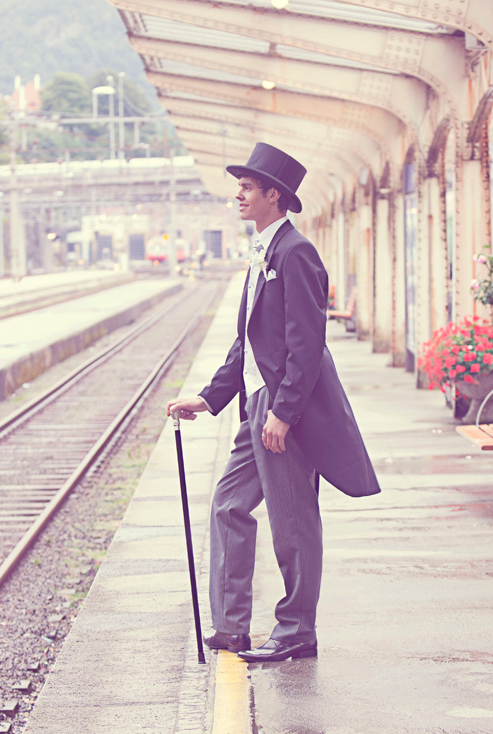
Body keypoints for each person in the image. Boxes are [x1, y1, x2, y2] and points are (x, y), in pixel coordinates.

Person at [167, 142, 380, 663]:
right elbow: (248, 342)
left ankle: (297, 630)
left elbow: (308, 343)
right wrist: (208, 398)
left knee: (292, 522)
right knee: (228, 505)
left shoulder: (295, 253)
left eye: (246, 187)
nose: (237, 194)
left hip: (282, 411)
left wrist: (285, 413)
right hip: (254, 407)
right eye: (238, 187)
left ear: (273, 195)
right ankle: (232, 626)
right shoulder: (263, 252)